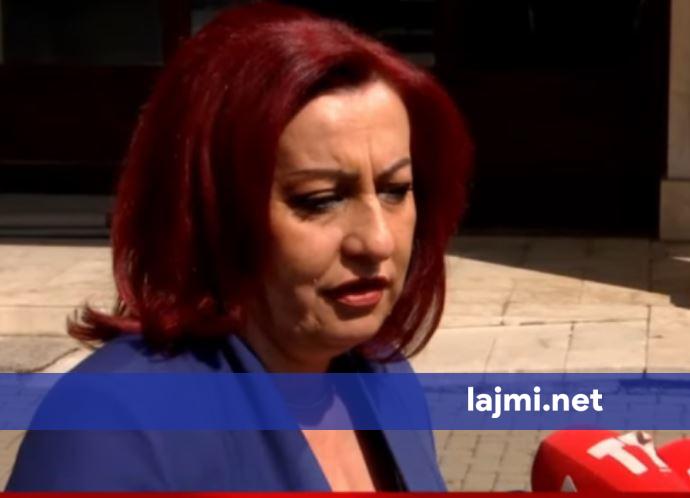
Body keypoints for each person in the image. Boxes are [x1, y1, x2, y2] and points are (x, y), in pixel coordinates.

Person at [7, 2, 472, 492]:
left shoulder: (385, 378)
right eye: (320, 200)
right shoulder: (110, 427)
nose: (377, 240)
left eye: (395, 190)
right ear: (212, 212)